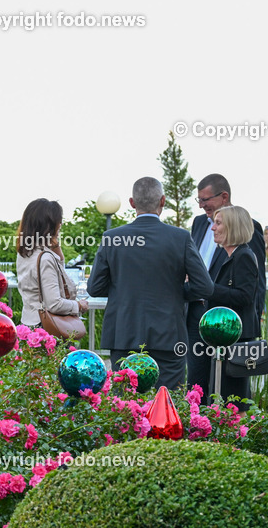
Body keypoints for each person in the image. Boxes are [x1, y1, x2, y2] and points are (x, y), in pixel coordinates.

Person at [88, 177, 214, 390]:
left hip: (124, 334)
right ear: (162, 201)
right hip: (168, 336)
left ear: (132, 203)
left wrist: (123, 289)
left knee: (125, 404)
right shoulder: (181, 237)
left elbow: (94, 288)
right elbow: (205, 287)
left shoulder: (112, 237)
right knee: (167, 401)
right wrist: (177, 291)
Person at [187, 174, 266, 391]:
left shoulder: (244, 249)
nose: (202, 206)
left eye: (206, 200)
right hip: (200, 315)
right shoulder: (199, 224)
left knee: (229, 385)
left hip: (231, 325)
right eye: (199, 200)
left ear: (224, 197)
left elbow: (252, 288)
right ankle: (200, 412)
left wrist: (251, 322)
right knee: (198, 380)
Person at [193, 206, 258, 409]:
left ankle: (235, 430)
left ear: (233, 226)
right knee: (224, 396)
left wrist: (209, 289)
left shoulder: (243, 256)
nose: (213, 228)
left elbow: (245, 297)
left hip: (236, 339)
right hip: (226, 338)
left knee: (233, 401)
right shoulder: (233, 255)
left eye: (218, 223)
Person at [14, 198, 87, 328]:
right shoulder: (45, 258)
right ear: (49, 225)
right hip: (46, 327)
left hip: (29, 323)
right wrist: (79, 305)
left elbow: (58, 278)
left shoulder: (24, 253)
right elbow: (54, 304)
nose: (61, 225)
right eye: (59, 221)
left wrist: (56, 247)